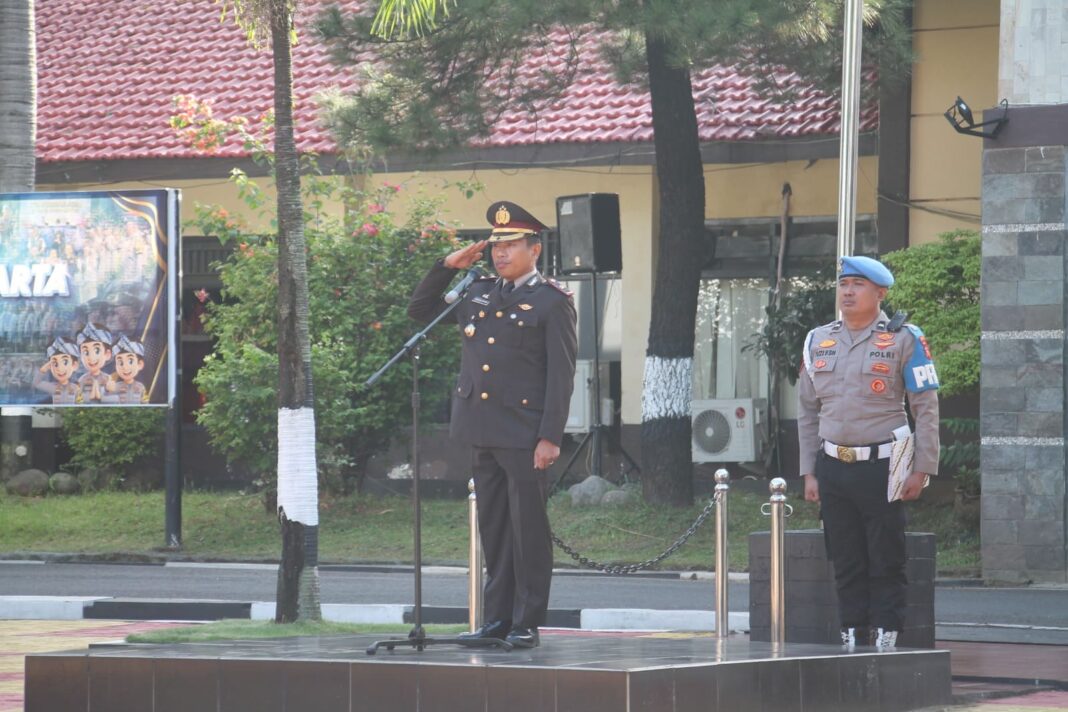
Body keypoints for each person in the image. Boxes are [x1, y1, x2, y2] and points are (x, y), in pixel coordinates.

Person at [408, 201, 577, 649]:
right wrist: (447, 266)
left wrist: (549, 437)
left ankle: (526, 621)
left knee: (528, 532)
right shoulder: (477, 290)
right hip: (481, 430)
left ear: (534, 249)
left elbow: (561, 376)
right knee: (495, 530)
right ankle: (497, 618)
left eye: (512, 245)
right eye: (496, 246)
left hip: (524, 436)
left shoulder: (551, 302)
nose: (500, 255)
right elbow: (419, 310)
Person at [797, 255, 940, 650]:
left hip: (885, 463)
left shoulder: (904, 338)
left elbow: (925, 406)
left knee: (886, 555)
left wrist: (922, 467)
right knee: (844, 556)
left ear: (880, 292)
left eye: (858, 285)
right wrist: (809, 471)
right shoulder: (817, 340)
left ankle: (886, 633)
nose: (848, 292)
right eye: (844, 285)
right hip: (832, 463)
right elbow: (808, 410)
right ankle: (851, 630)